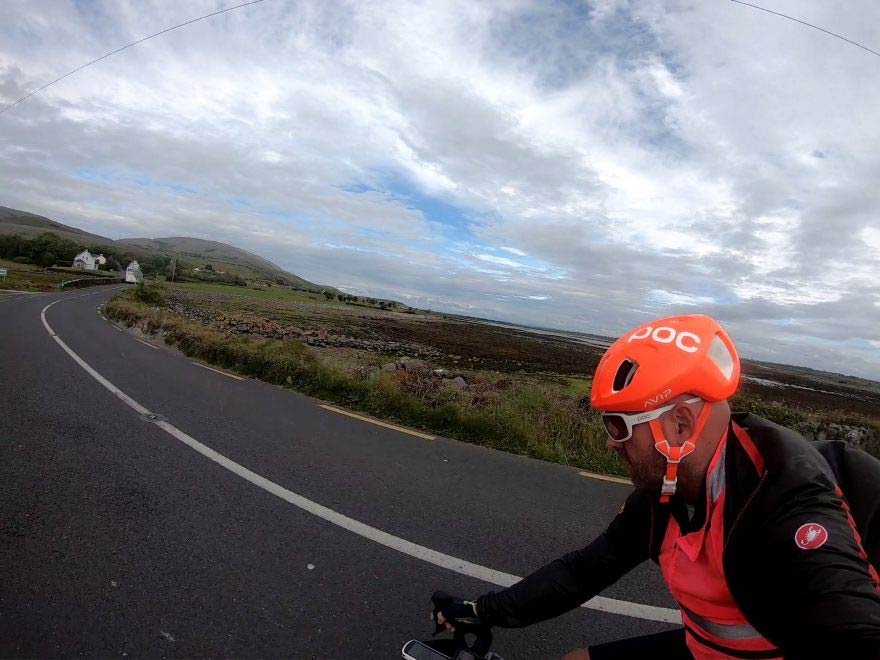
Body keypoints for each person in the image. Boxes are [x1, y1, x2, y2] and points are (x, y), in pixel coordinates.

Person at [434, 314, 880, 659]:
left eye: (619, 425)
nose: (610, 442)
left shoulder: (786, 497)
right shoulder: (666, 492)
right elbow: (582, 572)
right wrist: (481, 610)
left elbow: (851, 630)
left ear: (680, 425)